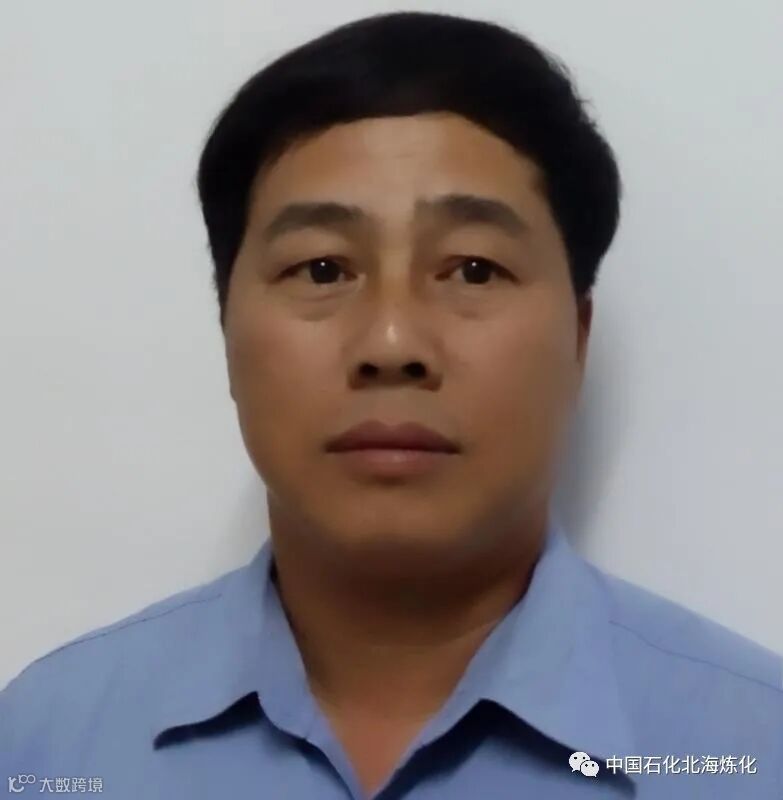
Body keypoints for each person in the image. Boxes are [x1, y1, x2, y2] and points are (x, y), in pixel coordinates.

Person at [2, 10, 781, 799]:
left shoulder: (754, 750)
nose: (391, 340)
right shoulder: (48, 747)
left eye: (473, 269)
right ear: (227, 330)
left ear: (576, 340)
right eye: (321, 269)